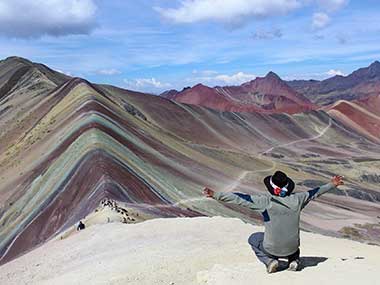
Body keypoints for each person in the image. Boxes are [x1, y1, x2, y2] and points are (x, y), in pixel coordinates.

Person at [203, 171, 344, 273]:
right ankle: (294, 261)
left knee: (254, 238)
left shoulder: (264, 202)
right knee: (293, 243)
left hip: (271, 249)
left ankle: (270, 261)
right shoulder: (298, 199)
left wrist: (215, 195)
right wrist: (332, 184)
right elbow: (315, 192)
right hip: (292, 248)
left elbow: (239, 198)